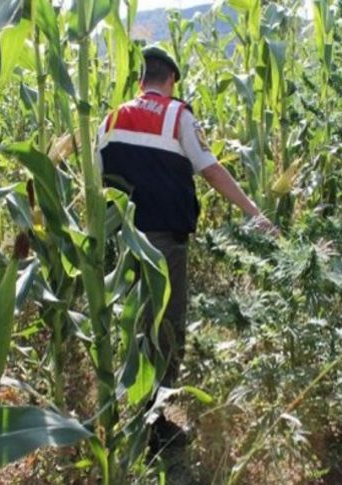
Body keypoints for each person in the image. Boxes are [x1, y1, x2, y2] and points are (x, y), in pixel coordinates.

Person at [96, 45, 273, 448]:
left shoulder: (110, 119)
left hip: (123, 243)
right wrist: (253, 211)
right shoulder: (178, 115)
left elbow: (96, 179)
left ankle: (128, 408)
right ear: (171, 80)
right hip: (163, 245)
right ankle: (154, 423)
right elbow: (209, 168)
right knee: (168, 326)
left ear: (140, 81)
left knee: (136, 324)